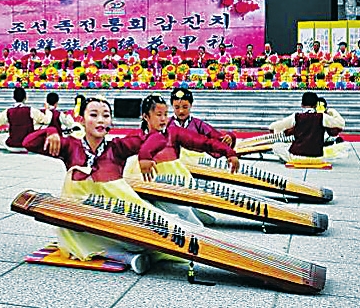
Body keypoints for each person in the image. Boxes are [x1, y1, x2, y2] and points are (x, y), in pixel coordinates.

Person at [22, 95, 220, 274]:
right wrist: (50, 131)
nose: (100, 120)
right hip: (85, 215)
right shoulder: (70, 147)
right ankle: (127, 257)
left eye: (106, 116)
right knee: (75, 232)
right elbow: (28, 143)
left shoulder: (116, 148)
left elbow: (156, 137)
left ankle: (133, 252)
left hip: (118, 212)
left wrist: (145, 154)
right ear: (82, 120)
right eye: (94, 115)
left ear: (111, 122)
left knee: (155, 234)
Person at [123, 93, 240, 226]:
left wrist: (229, 152)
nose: (163, 119)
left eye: (165, 114)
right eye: (158, 115)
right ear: (145, 116)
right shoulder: (135, 136)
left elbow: (203, 142)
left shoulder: (173, 132)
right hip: (143, 179)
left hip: (172, 179)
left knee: (190, 218)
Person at [268, 91, 345, 164]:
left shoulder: (296, 117)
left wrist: (274, 129)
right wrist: (330, 111)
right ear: (315, 105)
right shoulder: (323, 117)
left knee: (276, 146)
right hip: (317, 157)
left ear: (302, 104)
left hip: (297, 156)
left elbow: (275, 126)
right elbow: (341, 123)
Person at [166, 88, 235, 164]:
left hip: (196, 166)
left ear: (191, 105)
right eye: (177, 107)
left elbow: (218, 138)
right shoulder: (166, 124)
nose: (181, 111)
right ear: (172, 106)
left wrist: (230, 137)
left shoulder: (199, 124)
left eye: (185, 107)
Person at [0, 87, 51, 152]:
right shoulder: (31, 110)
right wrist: (47, 109)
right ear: (25, 97)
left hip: (12, 145)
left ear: (14, 98)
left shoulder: (8, 111)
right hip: (28, 146)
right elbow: (47, 120)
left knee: (0, 136)